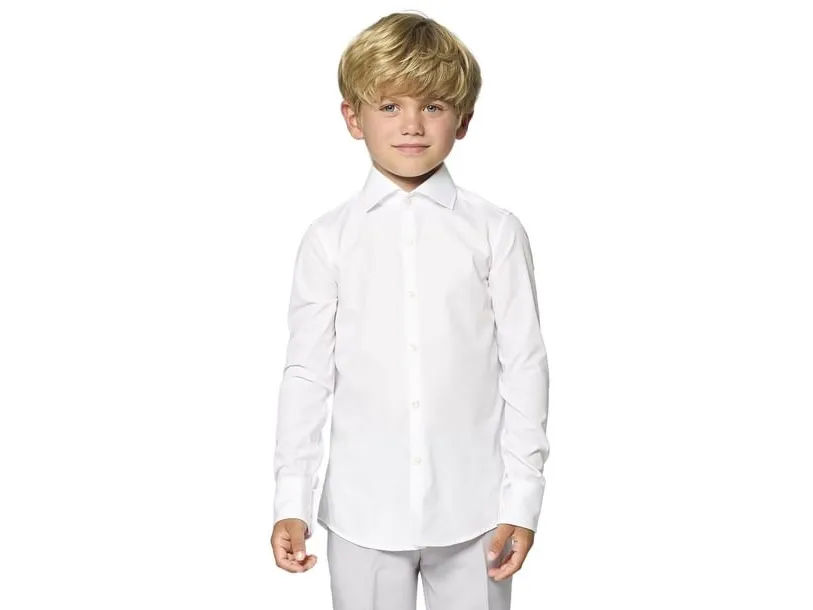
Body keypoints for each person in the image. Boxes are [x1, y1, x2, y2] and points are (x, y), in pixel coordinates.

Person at [269, 10, 551, 610]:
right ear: (353, 118)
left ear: (463, 120)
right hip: (363, 511)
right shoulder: (328, 239)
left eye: (434, 106)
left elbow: (525, 366)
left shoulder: (496, 232)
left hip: (476, 510)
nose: (413, 125)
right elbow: (307, 374)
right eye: (390, 106)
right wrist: (291, 498)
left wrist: (522, 500)